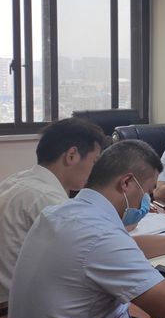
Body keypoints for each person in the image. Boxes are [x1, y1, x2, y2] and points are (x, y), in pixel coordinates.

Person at [6, 140, 165, 318]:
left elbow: (130, 245)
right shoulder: (100, 235)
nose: (147, 200)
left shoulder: (60, 213)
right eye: (147, 191)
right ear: (126, 183)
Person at [0, 117, 106, 303]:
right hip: (15, 306)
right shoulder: (47, 199)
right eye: (94, 161)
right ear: (71, 155)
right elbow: (93, 254)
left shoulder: (17, 180)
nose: (96, 170)